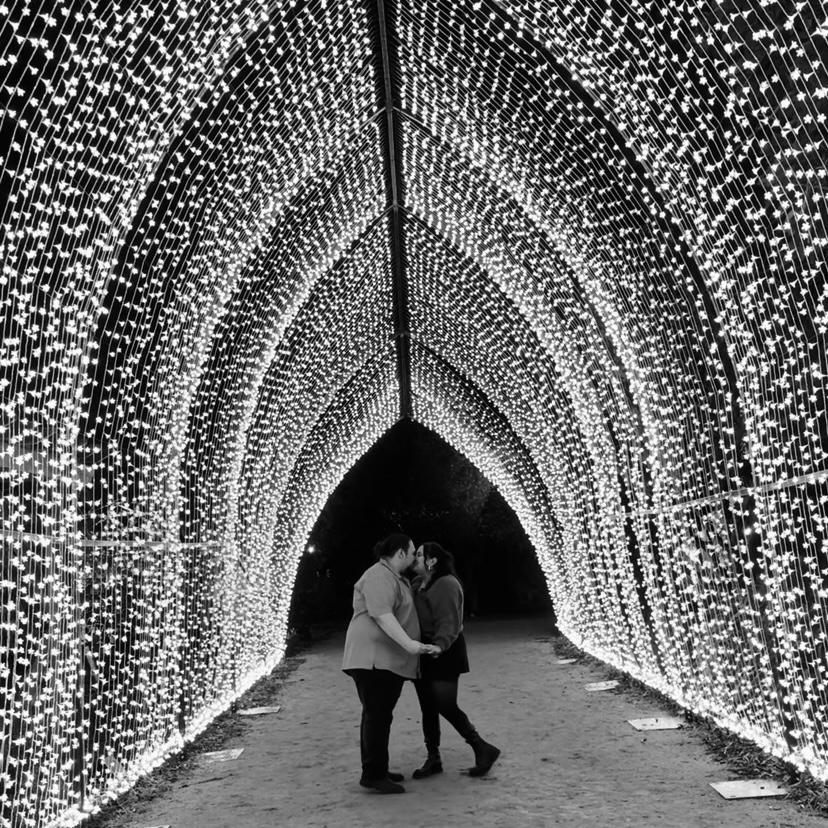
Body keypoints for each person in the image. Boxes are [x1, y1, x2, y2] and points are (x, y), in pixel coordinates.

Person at [342, 533, 439, 794]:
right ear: (400, 553)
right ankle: (373, 774)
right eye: (412, 552)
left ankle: (377, 769)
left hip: (383, 660)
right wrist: (410, 645)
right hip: (373, 659)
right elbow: (382, 615)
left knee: (378, 714)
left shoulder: (393, 577)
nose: (414, 558)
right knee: (377, 715)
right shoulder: (379, 576)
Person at [410, 542, 501, 779]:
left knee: (445, 704)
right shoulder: (418, 584)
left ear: (432, 560)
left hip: (445, 650)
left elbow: (448, 621)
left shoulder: (446, 584)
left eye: (419, 555)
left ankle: (481, 747)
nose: (414, 558)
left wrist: (440, 645)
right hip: (424, 650)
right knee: (427, 706)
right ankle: (433, 757)